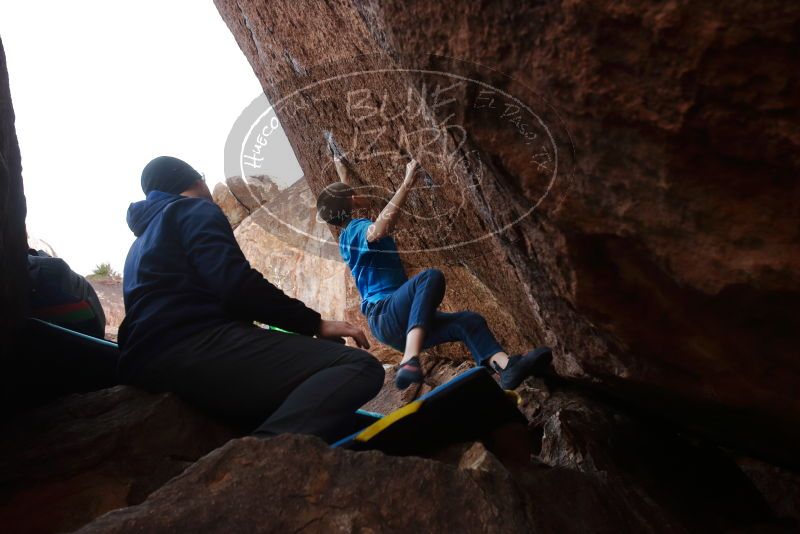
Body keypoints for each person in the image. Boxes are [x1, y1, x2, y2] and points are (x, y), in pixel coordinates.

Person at [118, 156, 384, 442]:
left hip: (142, 365)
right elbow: (235, 286)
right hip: (196, 346)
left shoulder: (136, 249)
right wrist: (314, 324)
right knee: (359, 366)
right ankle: (260, 453)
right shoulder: (194, 209)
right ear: (197, 180)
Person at [316, 153, 552, 390]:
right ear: (354, 200)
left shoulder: (346, 236)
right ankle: (410, 358)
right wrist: (407, 182)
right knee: (429, 278)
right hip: (387, 312)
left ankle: (506, 367)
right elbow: (378, 230)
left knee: (468, 321)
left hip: (393, 324)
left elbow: (346, 197)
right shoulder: (358, 229)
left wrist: (341, 167)